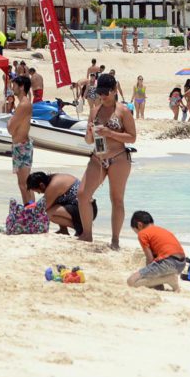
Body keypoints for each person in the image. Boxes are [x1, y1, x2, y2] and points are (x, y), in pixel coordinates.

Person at [78, 75, 136, 248]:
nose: (102, 96)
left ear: (114, 91)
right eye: (99, 92)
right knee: (82, 194)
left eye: (105, 92)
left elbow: (132, 137)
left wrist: (111, 133)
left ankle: (115, 240)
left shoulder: (123, 111)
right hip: (98, 158)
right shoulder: (95, 110)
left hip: (118, 159)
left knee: (116, 199)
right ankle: (87, 234)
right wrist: (89, 132)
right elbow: (89, 141)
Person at [127, 211, 185, 292]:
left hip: (168, 262)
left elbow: (150, 259)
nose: (137, 234)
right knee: (150, 274)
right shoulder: (162, 230)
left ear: (139, 225)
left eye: (136, 231)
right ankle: (161, 281)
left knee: (131, 281)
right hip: (181, 264)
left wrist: (147, 273)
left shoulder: (143, 233)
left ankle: (170, 279)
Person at [27, 172, 95, 236]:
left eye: (38, 191)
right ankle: (63, 230)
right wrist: (29, 205)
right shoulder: (54, 178)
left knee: (48, 214)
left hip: (86, 210)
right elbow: (43, 202)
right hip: (87, 207)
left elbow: (41, 208)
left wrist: (26, 209)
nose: (39, 193)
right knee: (54, 203)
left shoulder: (53, 186)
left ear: (41, 185)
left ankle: (83, 228)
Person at [7, 74, 34, 203]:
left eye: (15, 85)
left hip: (22, 146)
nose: (13, 88)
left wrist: (10, 122)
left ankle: (31, 214)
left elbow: (10, 129)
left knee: (25, 185)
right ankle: (30, 213)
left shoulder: (24, 104)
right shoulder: (22, 104)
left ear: (22, 87)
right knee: (23, 184)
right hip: (19, 146)